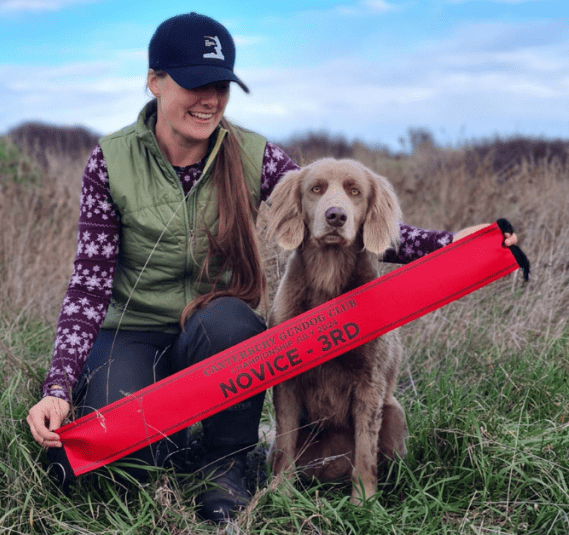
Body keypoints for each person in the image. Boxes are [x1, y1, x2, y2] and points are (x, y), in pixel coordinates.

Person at [25, 12, 517, 523]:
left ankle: (226, 467)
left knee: (240, 326)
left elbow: (341, 221)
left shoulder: (255, 155)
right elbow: (89, 285)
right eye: (194, 83)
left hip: (210, 326)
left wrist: (451, 244)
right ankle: (171, 444)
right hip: (131, 330)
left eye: (220, 85)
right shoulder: (111, 161)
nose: (209, 99)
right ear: (154, 81)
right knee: (129, 470)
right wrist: (58, 388)